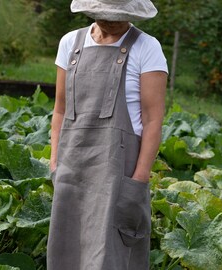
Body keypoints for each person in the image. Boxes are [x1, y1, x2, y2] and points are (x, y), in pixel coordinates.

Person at [47, 0, 168, 269]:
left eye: (119, 16)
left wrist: (138, 181)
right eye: (104, 15)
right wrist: (55, 163)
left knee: (111, 257)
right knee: (65, 253)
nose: (112, 21)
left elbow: (153, 121)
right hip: (71, 171)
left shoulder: (147, 48)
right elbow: (60, 110)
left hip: (118, 173)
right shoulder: (71, 43)